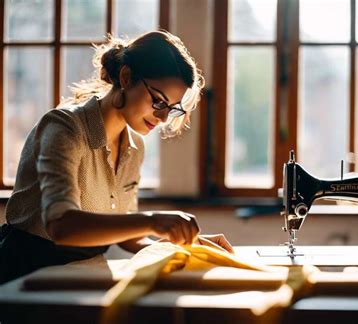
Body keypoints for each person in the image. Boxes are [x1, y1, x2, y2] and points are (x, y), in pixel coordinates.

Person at [0, 30, 233, 284]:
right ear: (126, 77)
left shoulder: (135, 147)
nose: (164, 118)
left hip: (81, 271)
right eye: (158, 101)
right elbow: (62, 226)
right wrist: (153, 221)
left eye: (172, 109)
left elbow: (126, 235)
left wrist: (187, 245)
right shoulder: (64, 127)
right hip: (23, 273)